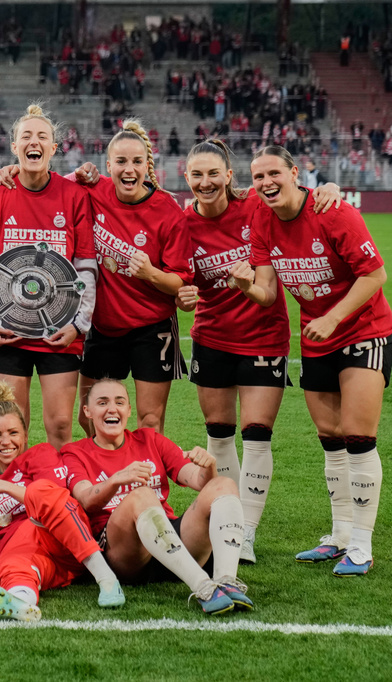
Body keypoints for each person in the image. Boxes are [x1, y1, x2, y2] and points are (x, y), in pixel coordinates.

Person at [177, 140, 341, 563]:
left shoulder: (255, 204)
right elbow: (178, 278)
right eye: (198, 174)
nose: (206, 181)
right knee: (218, 434)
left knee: (256, 435)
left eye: (214, 173)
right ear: (187, 179)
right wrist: (183, 295)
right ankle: (225, 526)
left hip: (263, 336)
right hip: (211, 337)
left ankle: (245, 533)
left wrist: (331, 187)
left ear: (230, 176)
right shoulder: (182, 224)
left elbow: (295, 198)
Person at [231, 145, 391, 576]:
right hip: (318, 342)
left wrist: (335, 316)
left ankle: (361, 544)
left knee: (358, 437)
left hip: (362, 331)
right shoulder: (261, 218)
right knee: (330, 438)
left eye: (273, 173)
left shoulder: (333, 211)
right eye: (258, 176)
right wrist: (247, 285)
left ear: (295, 173)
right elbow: (267, 291)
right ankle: (339, 534)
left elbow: (375, 274)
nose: (266, 182)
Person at [0, 104, 97, 450]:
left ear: (54, 148)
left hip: (60, 330)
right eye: (26, 136)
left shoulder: (74, 196)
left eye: (42, 137)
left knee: (60, 425)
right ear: (14, 146)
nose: (33, 142)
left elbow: (85, 266)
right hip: (7, 329)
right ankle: (16, 500)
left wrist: (79, 324)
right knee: (11, 425)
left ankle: (59, 501)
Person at [63, 378, 252, 615]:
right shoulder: (74, 452)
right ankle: (203, 587)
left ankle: (227, 581)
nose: (112, 408)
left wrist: (208, 467)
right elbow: (85, 499)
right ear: (87, 411)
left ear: (129, 410)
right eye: (103, 402)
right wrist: (116, 479)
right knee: (141, 495)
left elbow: (201, 482)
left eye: (119, 402)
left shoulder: (149, 440)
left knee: (223, 484)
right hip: (125, 553)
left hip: (168, 537)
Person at [0, 380, 124, 621]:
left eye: (13, 433)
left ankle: (106, 577)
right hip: (31, 556)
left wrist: (6, 487)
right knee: (6, 562)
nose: (5, 442)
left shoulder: (39, 454)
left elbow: (53, 498)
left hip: (62, 540)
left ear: (25, 435)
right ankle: (22, 602)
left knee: (41, 489)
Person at [78, 120, 191, 436]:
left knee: (150, 422)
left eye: (137, 162)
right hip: (103, 326)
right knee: (88, 419)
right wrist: (12, 172)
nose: (129, 169)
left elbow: (180, 282)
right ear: (108, 165)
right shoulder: (94, 190)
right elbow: (47, 184)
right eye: (122, 162)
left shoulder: (167, 211)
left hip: (151, 327)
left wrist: (151, 273)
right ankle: (108, 480)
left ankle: (148, 484)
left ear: (147, 165)